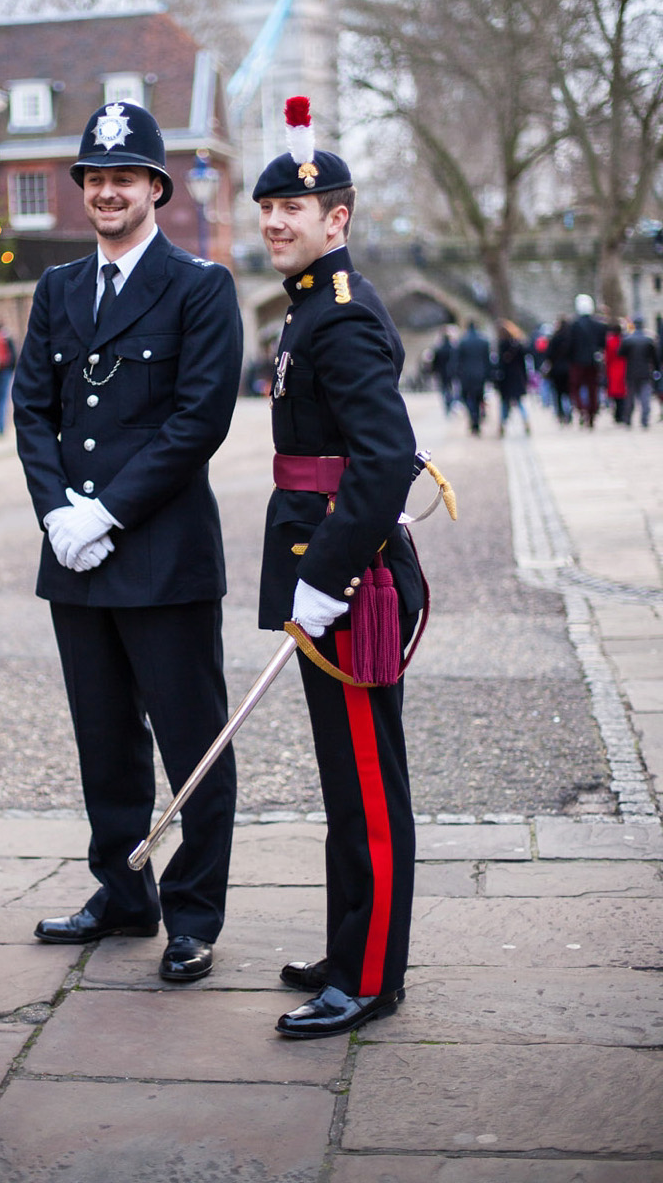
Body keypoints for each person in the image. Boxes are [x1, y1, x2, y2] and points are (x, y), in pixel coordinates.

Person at [12, 100, 243, 984]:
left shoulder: (200, 287)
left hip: (163, 557)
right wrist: (55, 515)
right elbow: (32, 409)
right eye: (94, 179)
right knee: (103, 739)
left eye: (124, 177)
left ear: (155, 187)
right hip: (73, 558)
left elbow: (198, 423)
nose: (108, 191)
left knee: (193, 745)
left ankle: (193, 914)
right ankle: (122, 893)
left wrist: (103, 512)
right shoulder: (60, 290)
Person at [253, 97, 426, 1040]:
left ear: (338, 220)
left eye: (294, 210)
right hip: (324, 569)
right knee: (342, 780)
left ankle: (371, 978)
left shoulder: (342, 317)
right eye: (266, 210)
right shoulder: (313, 308)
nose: (276, 222)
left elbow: (385, 456)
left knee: (368, 783)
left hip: (346, 583)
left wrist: (326, 576)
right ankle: (347, 945)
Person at [568, 293, 607, 427]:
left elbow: (570, 345)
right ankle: (591, 412)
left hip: (578, 362)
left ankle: (583, 409)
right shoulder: (598, 325)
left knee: (576, 387)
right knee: (593, 388)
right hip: (592, 362)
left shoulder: (574, 325)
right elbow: (603, 344)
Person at [618, 316, 660, 428]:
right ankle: (644, 419)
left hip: (631, 371)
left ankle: (628, 419)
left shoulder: (627, 339)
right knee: (645, 397)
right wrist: (656, 370)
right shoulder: (648, 339)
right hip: (645, 371)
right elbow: (655, 358)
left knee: (630, 397)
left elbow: (620, 354)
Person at [493, 320, 531, 436]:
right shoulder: (518, 344)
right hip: (517, 377)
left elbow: (499, 364)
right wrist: (525, 378)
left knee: (505, 403)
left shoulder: (502, 345)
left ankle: (503, 425)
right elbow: (524, 363)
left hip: (506, 379)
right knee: (519, 402)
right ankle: (526, 421)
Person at [455, 319, 493, 435]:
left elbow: (458, 361)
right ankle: (478, 416)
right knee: (479, 397)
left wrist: (457, 374)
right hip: (481, 374)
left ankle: (474, 418)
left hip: (466, 375)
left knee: (467, 398)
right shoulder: (484, 341)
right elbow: (488, 360)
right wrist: (489, 375)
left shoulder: (462, 342)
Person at [545, 316, 573, 424]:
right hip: (568, 369)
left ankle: (561, 413)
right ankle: (569, 412)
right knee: (568, 393)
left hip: (556, 370)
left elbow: (548, 355)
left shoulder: (554, 338)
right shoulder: (570, 338)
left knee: (558, 394)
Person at [603, 323, 628, 425]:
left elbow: (607, 357)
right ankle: (621, 413)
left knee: (615, 394)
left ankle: (618, 414)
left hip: (613, 369)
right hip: (623, 368)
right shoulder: (624, 341)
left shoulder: (610, 342)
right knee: (622, 393)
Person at [431, 328, 458, 415]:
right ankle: (450, 402)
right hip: (451, 372)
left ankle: (447, 404)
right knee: (451, 388)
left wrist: (434, 371)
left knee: (444, 389)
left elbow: (435, 362)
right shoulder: (453, 348)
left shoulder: (439, 349)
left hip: (441, 372)